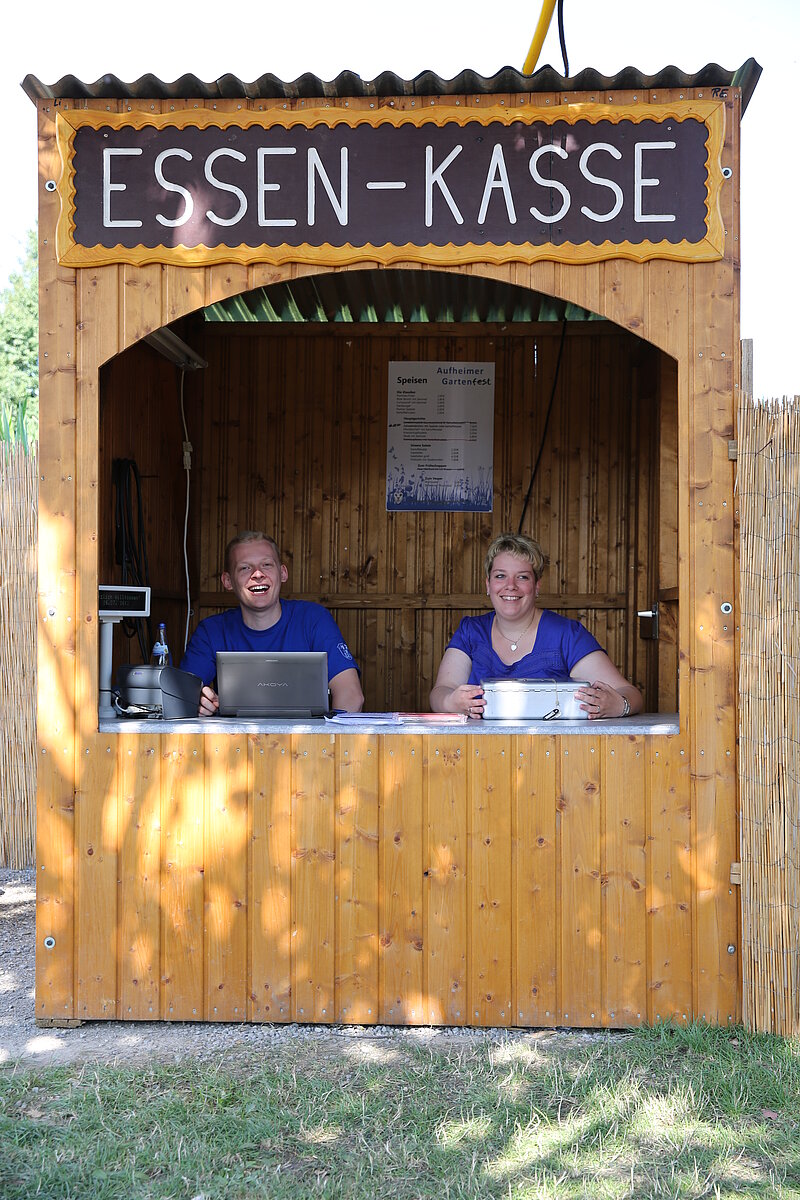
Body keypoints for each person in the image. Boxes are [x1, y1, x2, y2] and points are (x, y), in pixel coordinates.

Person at [430, 532, 643, 720]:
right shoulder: (470, 631)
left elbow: (629, 693)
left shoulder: (566, 634)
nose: (510, 586)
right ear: (488, 584)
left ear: (537, 586)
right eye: (500, 576)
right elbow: (440, 692)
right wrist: (450, 702)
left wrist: (620, 705)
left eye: (522, 577)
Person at [181, 531, 364, 716]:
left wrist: (327, 734)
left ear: (282, 573)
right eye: (245, 568)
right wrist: (198, 703)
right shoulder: (211, 631)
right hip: (235, 735)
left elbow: (351, 696)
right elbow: (182, 697)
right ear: (228, 581)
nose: (258, 574)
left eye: (267, 565)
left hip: (309, 735)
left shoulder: (314, 619)